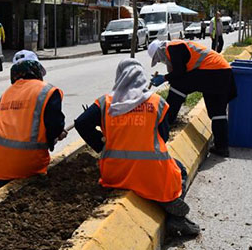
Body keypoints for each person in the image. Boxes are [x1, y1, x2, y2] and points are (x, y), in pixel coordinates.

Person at [75, 59, 200, 237]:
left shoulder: (105, 102)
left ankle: (163, 203)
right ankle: (175, 215)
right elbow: (163, 138)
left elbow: (81, 123)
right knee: (180, 170)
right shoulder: (157, 102)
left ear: (119, 77)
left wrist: (102, 146)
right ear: (141, 79)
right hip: (152, 173)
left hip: (115, 173)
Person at [0, 50, 66, 197]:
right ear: (37, 70)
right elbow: (54, 126)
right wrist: (58, 134)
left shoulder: (7, 93)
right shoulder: (47, 91)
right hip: (26, 162)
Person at [147, 39, 236, 157]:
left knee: (178, 86)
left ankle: (167, 120)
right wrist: (169, 76)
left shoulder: (173, 47)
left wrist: (164, 78)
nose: (161, 61)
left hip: (212, 71)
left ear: (160, 50)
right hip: (223, 72)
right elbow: (181, 70)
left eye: (159, 58)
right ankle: (222, 147)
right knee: (217, 111)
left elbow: (180, 72)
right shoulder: (176, 48)